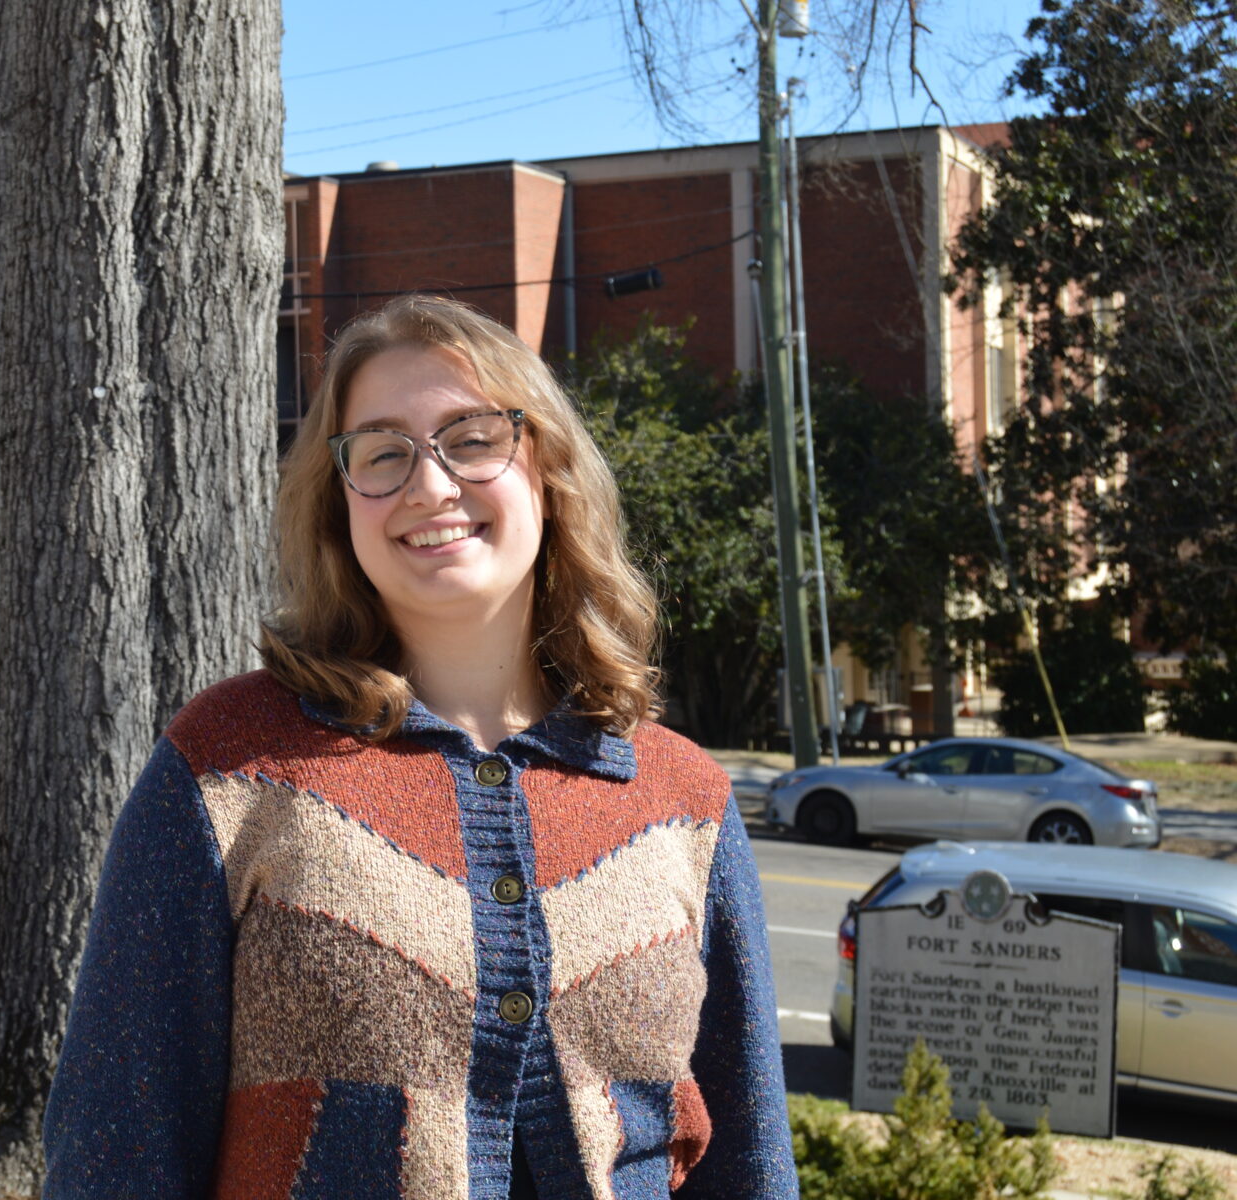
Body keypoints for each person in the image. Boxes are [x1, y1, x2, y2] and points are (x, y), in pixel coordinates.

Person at [41, 295, 796, 1198]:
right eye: (383, 453)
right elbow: (116, 1148)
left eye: (474, 439)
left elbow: (750, 1162)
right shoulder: (232, 767)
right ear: (341, 504)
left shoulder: (682, 801)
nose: (429, 485)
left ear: (547, 470)